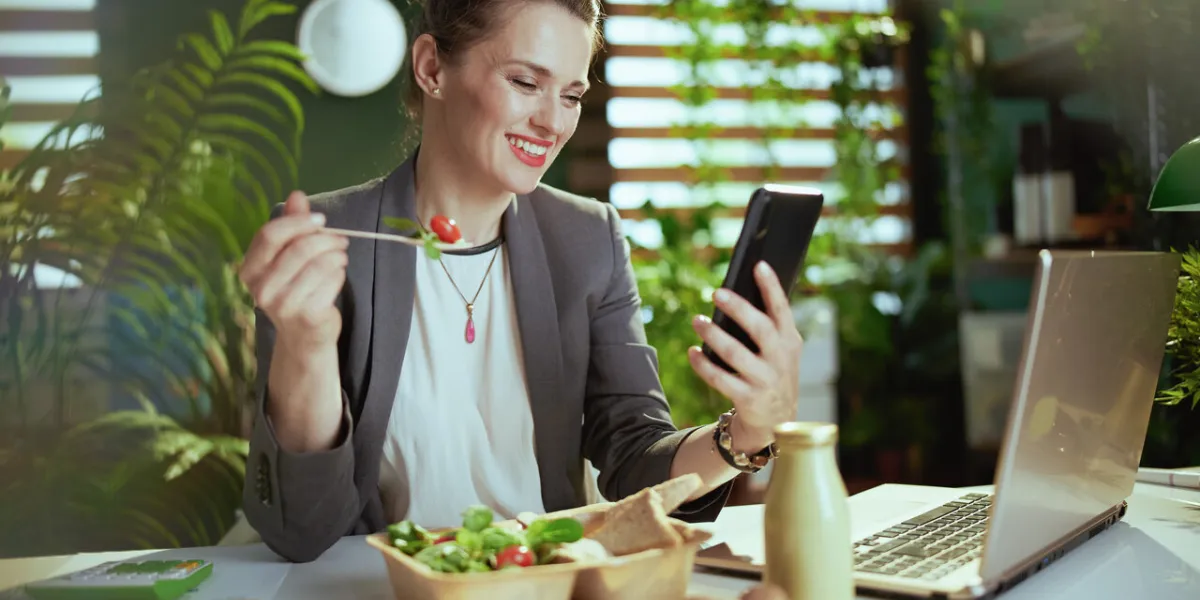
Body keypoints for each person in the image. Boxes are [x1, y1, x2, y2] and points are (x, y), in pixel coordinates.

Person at [236, 0, 805, 564]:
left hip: (541, 583)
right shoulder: (327, 243)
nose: (553, 122)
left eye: (572, 95)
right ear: (432, 68)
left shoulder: (588, 239)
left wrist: (748, 432)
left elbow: (635, 457)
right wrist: (307, 345)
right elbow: (303, 530)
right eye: (525, 81)